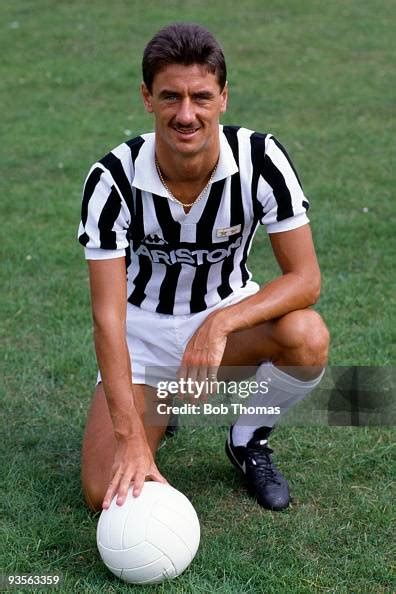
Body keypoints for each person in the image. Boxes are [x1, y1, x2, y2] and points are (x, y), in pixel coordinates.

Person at [78, 22, 329, 513]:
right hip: (142, 340)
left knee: (307, 336)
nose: (186, 114)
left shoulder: (262, 160)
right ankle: (158, 409)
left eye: (201, 96)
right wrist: (129, 434)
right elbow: (108, 317)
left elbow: (307, 279)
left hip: (228, 328)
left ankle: (247, 441)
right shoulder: (112, 179)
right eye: (170, 97)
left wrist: (219, 323)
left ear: (223, 98)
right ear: (147, 98)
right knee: (102, 491)